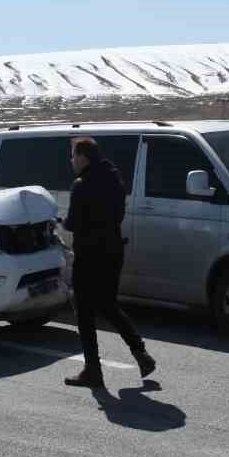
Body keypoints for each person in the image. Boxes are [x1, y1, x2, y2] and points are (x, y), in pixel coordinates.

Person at [62, 137, 156, 389]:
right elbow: (118, 215)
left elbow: (73, 223)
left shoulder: (81, 185)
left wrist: (61, 223)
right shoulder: (114, 179)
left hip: (89, 255)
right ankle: (140, 352)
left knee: (84, 312)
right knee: (108, 304)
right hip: (113, 251)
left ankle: (93, 370)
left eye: (73, 155)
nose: (71, 160)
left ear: (83, 157)